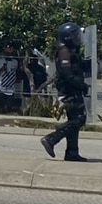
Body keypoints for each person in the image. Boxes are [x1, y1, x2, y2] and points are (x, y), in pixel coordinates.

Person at [40, 22, 90, 162]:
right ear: (68, 37)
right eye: (76, 36)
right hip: (69, 91)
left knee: (75, 119)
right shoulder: (64, 52)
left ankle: (72, 152)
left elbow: (77, 67)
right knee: (79, 119)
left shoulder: (70, 51)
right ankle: (51, 139)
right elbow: (67, 75)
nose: (78, 38)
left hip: (73, 91)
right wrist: (82, 86)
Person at [0, 44, 20, 113]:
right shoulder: (0, 61)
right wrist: (2, 69)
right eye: (7, 53)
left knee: (9, 106)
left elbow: (17, 72)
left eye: (10, 53)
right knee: (1, 106)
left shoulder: (15, 62)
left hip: (11, 88)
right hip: (1, 87)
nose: (9, 55)